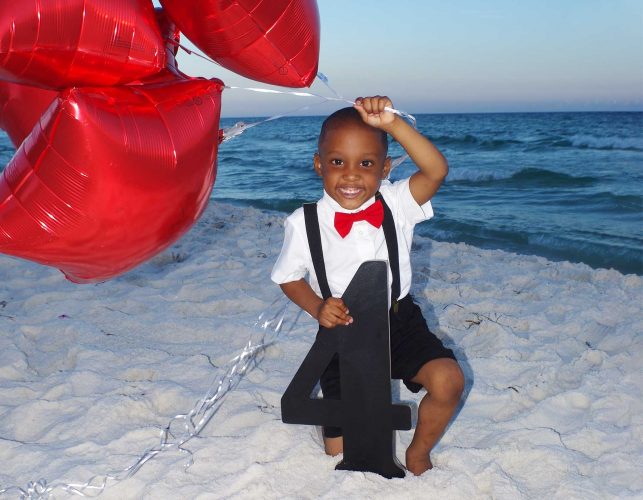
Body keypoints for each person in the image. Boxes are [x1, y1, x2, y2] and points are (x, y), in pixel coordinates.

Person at [271, 95, 464, 476]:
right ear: (318, 164)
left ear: (385, 168)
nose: (351, 175)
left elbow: (436, 170)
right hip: (343, 332)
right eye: (337, 162)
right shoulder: (304, 221)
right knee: (338, 453)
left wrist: (393, 125)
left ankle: (419, 451)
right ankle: (337, 412)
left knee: (448, 381)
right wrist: (317, 307)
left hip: (399, 321)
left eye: (367, 163)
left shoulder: (396, 202)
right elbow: (288, 277)